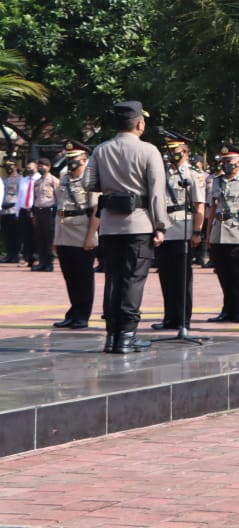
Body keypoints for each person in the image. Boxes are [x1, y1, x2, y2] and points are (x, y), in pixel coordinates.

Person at [83, 100, 170, 354]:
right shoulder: (148, 150)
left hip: (110, 224)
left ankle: (112, 336)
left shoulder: (101, 149)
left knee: (113, 279)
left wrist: (112, 187)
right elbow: (156, 193)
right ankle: (127, 336)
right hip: (139, 223)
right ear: (140, 123)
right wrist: (160, 225)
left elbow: (88, 183)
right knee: (133, 279)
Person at [151, 131, 205, 330]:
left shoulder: (192, 175)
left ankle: (183, 318)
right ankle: (169, 317)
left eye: (175, 151)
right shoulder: (162, 174)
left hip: (183, 226)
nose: (171, 154)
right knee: (165, 275)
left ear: (185, 151)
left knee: (182, 277)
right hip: (165, 228)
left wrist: (197, 231)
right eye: (169, 151)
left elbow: (199, 206)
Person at [51, 140, 99, 328]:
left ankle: (82, 315)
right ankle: (73, 312)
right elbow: (59, 210)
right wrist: (56, 238)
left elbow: (96, 211)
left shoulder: (91, 180)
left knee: (83, 277)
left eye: (74, 158)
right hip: (64, 232)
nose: (71, 162)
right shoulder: (64, 178)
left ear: (84, 159)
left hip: (82, 232)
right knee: (69, 276)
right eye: (68, 158)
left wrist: (90, 237)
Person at [205, 144, 239, 322]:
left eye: (230, 161)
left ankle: (238, 310)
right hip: (219, 231)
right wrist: (209, 235)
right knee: (223, 274)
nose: (226, 165)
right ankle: (227, 309)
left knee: (237, 275)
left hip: (237, 232)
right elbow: (213, 209)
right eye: (224, 162)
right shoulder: (217, 181)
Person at [28, 156, 60, 272]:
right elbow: (35, 198)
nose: (41, 168)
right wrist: (34, 214)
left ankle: (49, 263)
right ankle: (41, 262)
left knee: (48, 239)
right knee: (39, 238)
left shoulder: (54, 180)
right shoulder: (37, 182)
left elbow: (59, 198)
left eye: (43, 166)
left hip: (49, 211)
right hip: (38, 211)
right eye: (39, 166)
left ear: (49, 167)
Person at [16, 160, 40, 266]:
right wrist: (17, 212)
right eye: (27, 167)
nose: (29, 169)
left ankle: (38, 257)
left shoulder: (40, 179)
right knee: (26, 236)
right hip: (23, 210)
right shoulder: (23, 180)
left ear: (36, 168)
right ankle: (28, 258)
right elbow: (19, 197)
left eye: (31, 167)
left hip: (35, 211)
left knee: (37, 235)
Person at [2, 160, 20, 263]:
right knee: (6, 235)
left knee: (14, 235)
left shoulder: (20, 179)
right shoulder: (4, 179)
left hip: (13, 210)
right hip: (4, 211)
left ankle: (15, 255)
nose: (8, 168)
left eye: (11, 165)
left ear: (16, 166)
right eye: (7, 166)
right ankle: (9, 254)